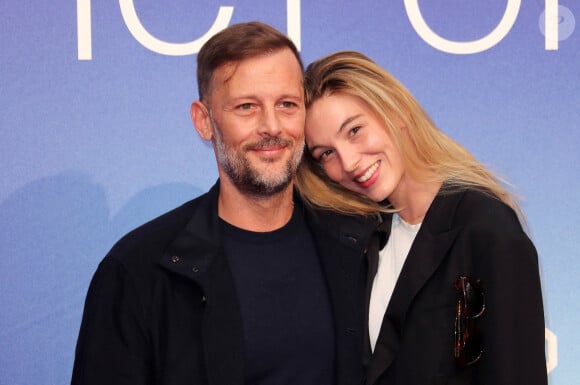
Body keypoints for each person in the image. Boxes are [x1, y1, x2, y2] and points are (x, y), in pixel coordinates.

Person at [71, 24, 377, 385]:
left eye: (287, 104)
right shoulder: (139, 270)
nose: (272, 126)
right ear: (204, 121)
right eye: (247, 107)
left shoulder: (359, 243)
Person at [296, 50, 547, 385]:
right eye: (326, 153)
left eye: (354, 130)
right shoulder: (365, 241)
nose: (349, 162)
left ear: (395, 111)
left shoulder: (484, 231)